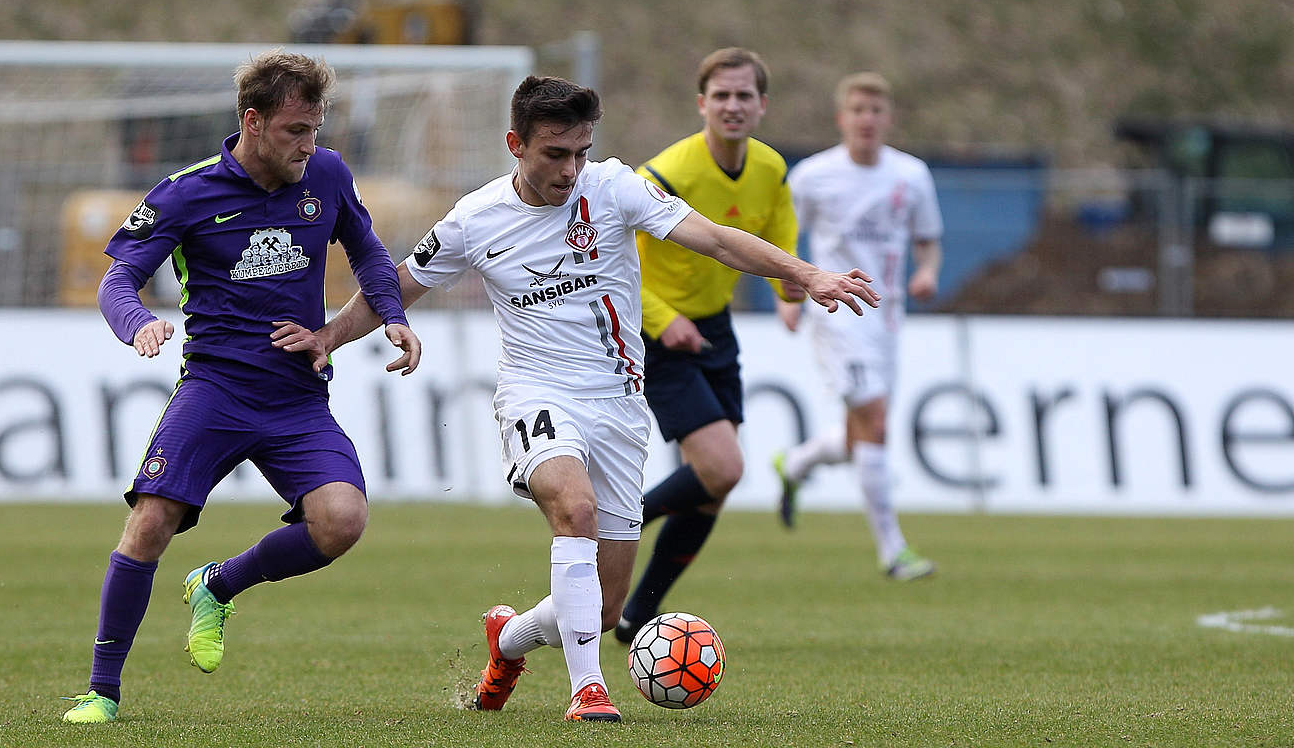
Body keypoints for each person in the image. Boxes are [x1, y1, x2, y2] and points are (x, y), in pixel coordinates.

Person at [282, 75, 879, 723]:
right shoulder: (475, 219)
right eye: (554, 154)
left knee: (603, 608)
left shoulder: (616, 187)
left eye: (581, 152)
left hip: (620, 404)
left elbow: (714, 238)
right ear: (516, 144)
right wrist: (327, 338)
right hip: (536, 393)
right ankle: (588, 690)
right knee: (575, 507)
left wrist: (807, 272)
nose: (570, 169)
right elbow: (396, 285)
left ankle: (507, 641)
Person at [61, 50, 421, 725]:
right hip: (215, 389)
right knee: (150, 524)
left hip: (296, 395)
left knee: (343, 521)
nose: (309, 146)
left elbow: (369, 252)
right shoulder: (186, 192)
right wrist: (137, 322)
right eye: (295, 131)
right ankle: (101, 693)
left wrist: (393, 318)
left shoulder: (330, 175)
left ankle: (219, 585)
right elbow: (118, 280)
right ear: (253, 122)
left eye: (315, 129)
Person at [614, 47, 802, 644]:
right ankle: (622, 522)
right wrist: (662, 317)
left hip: (714, 327)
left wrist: (793, 288)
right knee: (723, 467)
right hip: (656, 331)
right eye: (721, 95)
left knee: (714, 489)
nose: (732, 105)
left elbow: (778, 233)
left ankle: (638, 614)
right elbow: (614, 261)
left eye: (744, 95)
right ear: (701, 104)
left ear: (762, 105)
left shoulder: (770, 168)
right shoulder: (662, 175)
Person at [772, 71, 943, 581]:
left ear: (888, 119)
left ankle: (798, 463)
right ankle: (894, 551)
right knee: (877, 423)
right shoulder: (812, 176)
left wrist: (929, 272)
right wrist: (788, 295)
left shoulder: (911, 175)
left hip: (888, 320)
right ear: (841, 118)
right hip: (838, 315)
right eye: (858, 110)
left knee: (859, 436)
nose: (867, 120)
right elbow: (783, 236)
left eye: (876, 111)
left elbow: (928, 238)